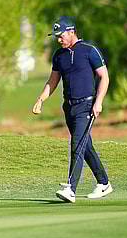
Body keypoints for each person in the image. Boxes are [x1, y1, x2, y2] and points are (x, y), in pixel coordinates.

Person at [32, 16, 112, 203]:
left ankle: (71, 188)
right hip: (69, 106)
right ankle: (104, 182)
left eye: (61, 36)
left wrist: (98, 102)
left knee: (76, 144)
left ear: (71, 31)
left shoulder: (89, 51)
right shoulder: (59, 55)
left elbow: (104, 77)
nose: (58, 39)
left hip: (87, 104)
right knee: (85, 146)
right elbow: (53, 81)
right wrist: (40, 99)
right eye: (56, 37)